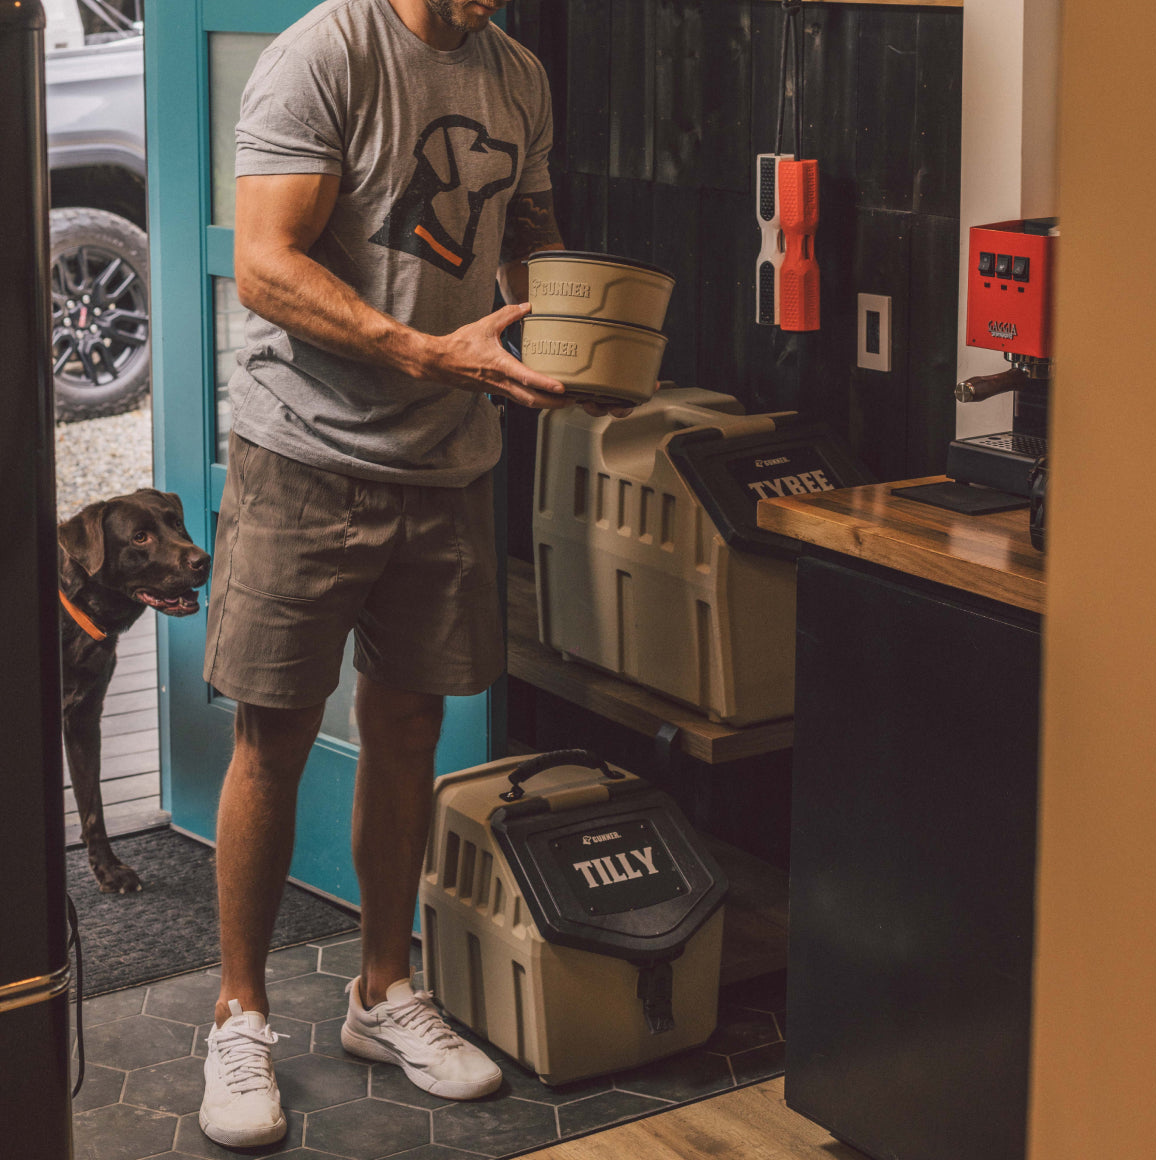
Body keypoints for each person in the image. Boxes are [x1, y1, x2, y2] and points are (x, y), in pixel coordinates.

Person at [197, 0, 626, 1148]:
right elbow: (264, 264)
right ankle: (239, 1014)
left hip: (449, 458)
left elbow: (531, 241)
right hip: (305, 450)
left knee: (409, 726)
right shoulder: (321, 57)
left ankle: (382, 991)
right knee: (273, 731)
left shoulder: (517, 75)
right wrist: (427, 350)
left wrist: (580, 341)